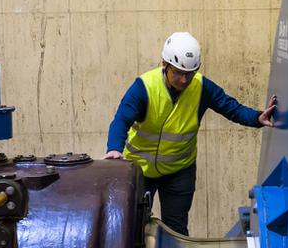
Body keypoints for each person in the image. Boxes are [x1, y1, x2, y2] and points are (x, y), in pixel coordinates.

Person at [106, 32, 277, 235]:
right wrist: (114, 149)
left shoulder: (201, 87)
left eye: (190, 73)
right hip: (140, 170)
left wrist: (257, 118)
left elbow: (231, 108)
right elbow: (121, 119)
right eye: (178, 72)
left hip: (180, 170)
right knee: (131, 227)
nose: (184, 79)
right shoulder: (144, 87)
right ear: (164, 64)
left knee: (176, 230)